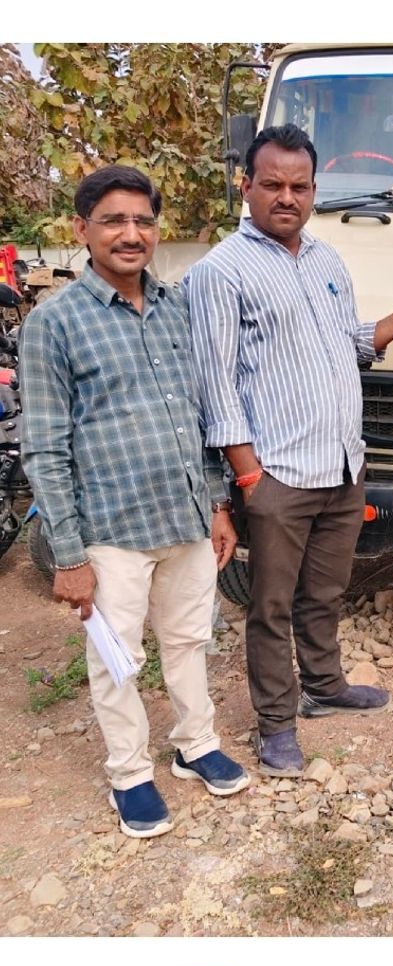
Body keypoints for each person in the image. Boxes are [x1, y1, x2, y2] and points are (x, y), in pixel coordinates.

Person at [185, 124, 393, 778]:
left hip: (342, 465)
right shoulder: (220, 272)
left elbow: (344, 344)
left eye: (299, 186)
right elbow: (214, 384)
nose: (286, 197)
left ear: (315, 190)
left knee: (324, 592)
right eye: (272, 184)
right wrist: (249, 479)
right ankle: (275, 724)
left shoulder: (326, 260)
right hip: (277, 475)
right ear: (246, 186)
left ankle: (324, 686)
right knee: (270, 606)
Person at [20, 165, 250, 840]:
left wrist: (217, 505)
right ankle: (129, 775)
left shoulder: (177, 308)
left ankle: (195, 745)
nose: (131, 234)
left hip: (185, 517)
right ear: (82, 229)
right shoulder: (55, 323)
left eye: (143, 221)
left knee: (189, 640)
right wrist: (69, 556)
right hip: (110, 530)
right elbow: (45, 447)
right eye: (114, 220)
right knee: (116, 660)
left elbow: (198, 417)